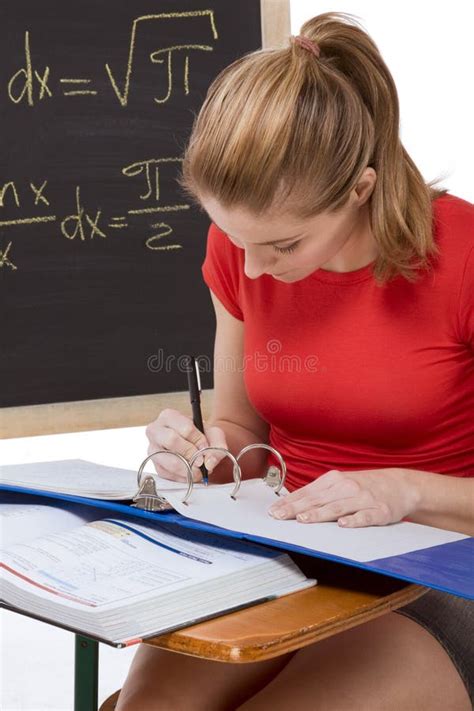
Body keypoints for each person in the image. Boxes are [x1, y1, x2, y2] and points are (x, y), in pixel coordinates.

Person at [116, 12, 473, 710]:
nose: (249, 266)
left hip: (446, 567)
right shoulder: (241, 254)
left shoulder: (462, 254)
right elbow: (243, 434)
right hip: (287, 553)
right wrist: (205, 456)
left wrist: (409, 491)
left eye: (281, 246)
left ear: (359, 191)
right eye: (230, 236)